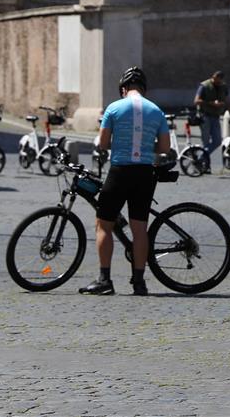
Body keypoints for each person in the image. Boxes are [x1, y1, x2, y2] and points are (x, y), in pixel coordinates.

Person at [79, 67, 170, 297]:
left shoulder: (114, 108)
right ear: (144, 88)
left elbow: (102, 143)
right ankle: (139, 282)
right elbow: (164, 148)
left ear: (123, 88)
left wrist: (118, 145)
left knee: (104, 224)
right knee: (140, 229)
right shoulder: (156, 111)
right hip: (144, 173)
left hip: (120, 171)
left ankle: (104, 280)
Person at [193, 70, 230, 173]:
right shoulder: (204, 85)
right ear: (213, 77)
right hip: (205, 116)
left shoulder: (223, 87)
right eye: (215, 80)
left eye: (219, 81)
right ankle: (204, 166)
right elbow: (196, 100)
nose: (217, 82)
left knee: (217, 141)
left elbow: (228, 101)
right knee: (205, 142)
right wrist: (211, 103)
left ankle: (200, 158)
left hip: (215, 116)